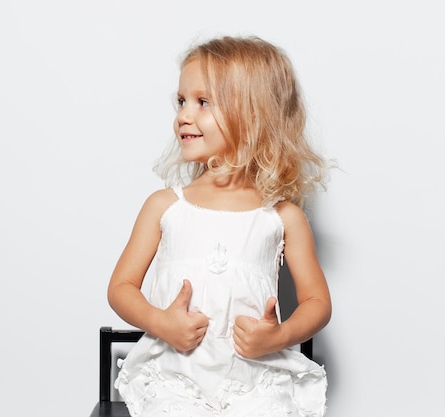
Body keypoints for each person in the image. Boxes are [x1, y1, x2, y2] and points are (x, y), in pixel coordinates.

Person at [107, 35, 332, 417]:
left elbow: (317, 303)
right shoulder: (165, 207)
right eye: (181, 101)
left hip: (256, 381)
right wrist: (161, 322)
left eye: (202, 102)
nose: (183, 115)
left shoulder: (280, 217)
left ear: (253, 114)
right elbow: (120, 288)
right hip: (174, 379)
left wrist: (278, 336)